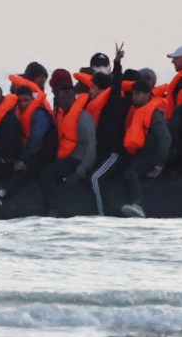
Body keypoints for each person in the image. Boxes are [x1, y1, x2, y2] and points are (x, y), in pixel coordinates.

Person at [87, 44, 132, 216]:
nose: (90, 90)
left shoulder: (112, 103)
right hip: (103, 152)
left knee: (95, 178)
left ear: (99, 88)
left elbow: (116, 85)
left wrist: (117, 62)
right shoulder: (94, 106)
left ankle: (102, 214)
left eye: (93, 87)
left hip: (115, 154)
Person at [40, 84, 96, 214]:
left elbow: (91, 147)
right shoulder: (61, 115)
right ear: (58, 99)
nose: (66, 100)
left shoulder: (83, 118)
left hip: (78, 158)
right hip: (65, 156)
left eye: (69, 97)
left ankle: (52, 209)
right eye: (63, 98)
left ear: (74, 98)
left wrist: (80, 172)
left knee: (48, 174)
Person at [120, 79, 172, 218]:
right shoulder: (137, 111)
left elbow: (165, 140)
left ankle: (137, 203)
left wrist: (159, 166)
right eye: (133, 93)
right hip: (141, 153)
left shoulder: (154, 115)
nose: (134, 97)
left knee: (131, 173)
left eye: (138, 94)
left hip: (153, 156)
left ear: (148, 95)